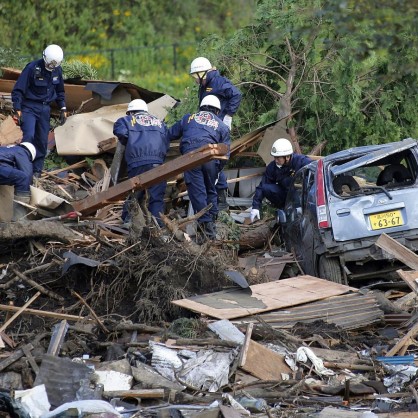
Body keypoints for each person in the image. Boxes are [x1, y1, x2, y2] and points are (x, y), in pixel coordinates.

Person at [168, 95, 230, 241]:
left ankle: (206, 232)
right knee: (210, 190)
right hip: (212, 160)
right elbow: (226, 152)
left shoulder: (188, 118)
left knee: (198, 193)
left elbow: (170, 133)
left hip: (192, 158)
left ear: (201, 107)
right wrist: (217, 169)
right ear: (217, 110)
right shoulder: (221, 125)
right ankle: (211, 226)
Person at [190, 57, 242, 211]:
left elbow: (236, 94)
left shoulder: (218, 82)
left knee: (216, 161)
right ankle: (215, 196)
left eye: (196, 76)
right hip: (208, 127)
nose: (195, 80)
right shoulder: (206, 84)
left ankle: (221, 197)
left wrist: (228, 115)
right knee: (210, 160)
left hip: (217, 127)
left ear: (203, 73)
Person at [12, 44, 67, 178]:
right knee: (29, 136)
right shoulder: (32, 68)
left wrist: (63, 108)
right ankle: (23, 167)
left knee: (42, 140)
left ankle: (36, 170)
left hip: (45, 109)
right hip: (29, 107)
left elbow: (60, 91)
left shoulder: (57, 71)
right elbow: (18, 89)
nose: (50, 67)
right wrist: (18, 109)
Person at [113, 99, 169, 226]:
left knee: (135, 193)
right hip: (158, 162)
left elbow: (121, 132)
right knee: (156, 197)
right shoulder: (159, 122)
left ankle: (127, 223)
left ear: (131, 112)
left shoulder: (125, 120)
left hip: (137, 161)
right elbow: (167, 140)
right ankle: (157, 227)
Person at [250, 138, 312, 222]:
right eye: (274, 157)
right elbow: (261, 187)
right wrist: (255, 207)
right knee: (266, 188)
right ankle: (284, 208)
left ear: (287, 156)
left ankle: (300, 209)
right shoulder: (272, 167)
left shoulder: (300, 161)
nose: (275, 160)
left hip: (301, 194)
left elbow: (314, 169)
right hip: (284, 195)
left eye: (278, 158)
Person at [0, 142, 36, 221]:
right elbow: (27, 174)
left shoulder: (8, 150)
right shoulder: (22, 151)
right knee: (22, 178)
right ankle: (19, 219)